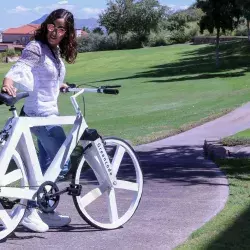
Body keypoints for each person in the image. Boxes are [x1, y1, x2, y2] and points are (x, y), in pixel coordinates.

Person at [1, 9, 78, 233]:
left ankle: (44, 209)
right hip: (40, 115)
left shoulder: (53, 50)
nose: (55, 31)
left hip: (45, 113)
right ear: (47, 25)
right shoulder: (36, 47)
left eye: (61, 28)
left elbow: (45, 77)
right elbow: (22, 66)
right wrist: (8, 80)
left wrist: (60, 86)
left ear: (67, 32)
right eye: (53, 26)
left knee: (44, 166)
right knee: (62, 164)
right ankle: (29, 210)